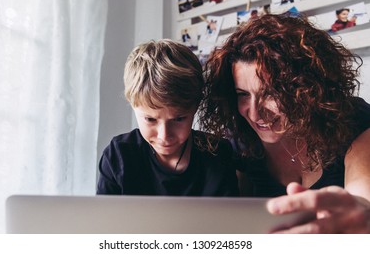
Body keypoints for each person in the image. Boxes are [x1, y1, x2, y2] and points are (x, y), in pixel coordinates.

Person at [199, 13, 370, 233]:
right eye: (242, 94)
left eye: (270, 93)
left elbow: (362, 202)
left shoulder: (351, 119)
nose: (254, 112)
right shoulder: (240, 140)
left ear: (307, 89)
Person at [97, 39, 239, 197]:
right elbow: (105, 220)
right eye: (150, 120)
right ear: (132, 104)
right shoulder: (118, 155)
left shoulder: (218, 153)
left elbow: (230, 218)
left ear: (196, 106)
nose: (164, 136)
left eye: (179, 119)